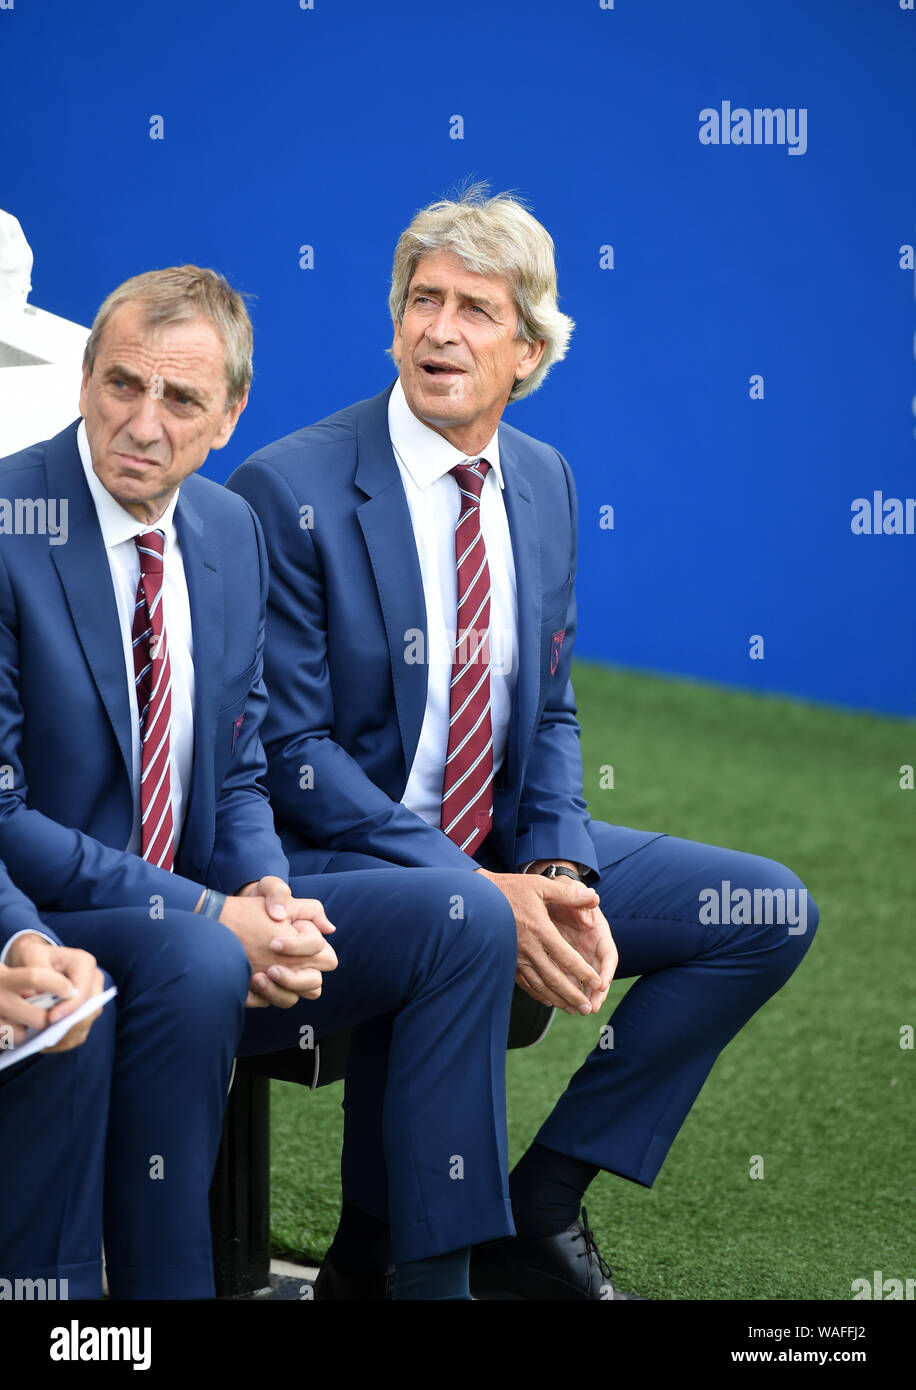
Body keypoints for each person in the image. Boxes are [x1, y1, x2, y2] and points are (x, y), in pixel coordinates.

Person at [228, 187, 820, 1300]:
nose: (439, 329)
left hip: (497, 844)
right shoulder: (289, 487)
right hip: (330, 865)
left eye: (475, 310)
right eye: (422, 300)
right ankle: (403, 1260)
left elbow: (547, 708)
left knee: (766, 911)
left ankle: (538, 1211)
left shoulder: (541, 481)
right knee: (461, 923)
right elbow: (289, 753)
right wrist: (485, 886)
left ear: (529, 349)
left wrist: (555, 867)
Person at [0, 265, 518, 1300]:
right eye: (119, 385)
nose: (142, 424)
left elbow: (237, 768)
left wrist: (266, 892)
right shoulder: (14, 522)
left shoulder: (228, 531)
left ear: (229, 414)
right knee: (196, 954)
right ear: (86, 381)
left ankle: (424, 1285)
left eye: (181, 399)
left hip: (195, 905)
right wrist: (206, 908)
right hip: (57, 910)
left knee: (463, 913)